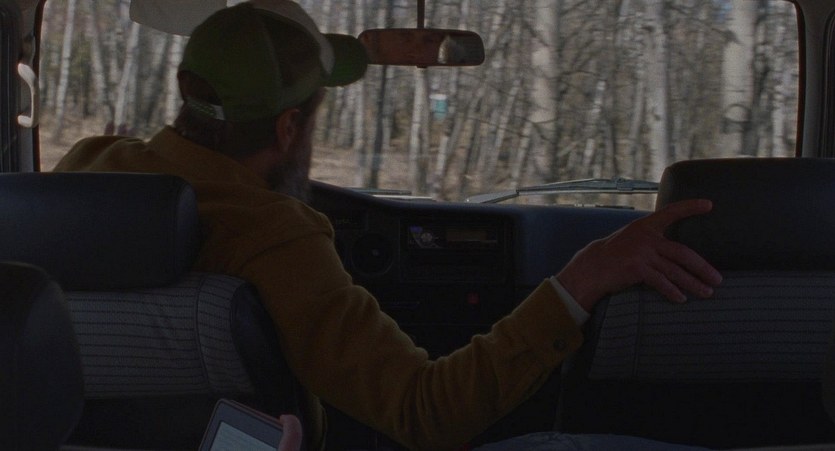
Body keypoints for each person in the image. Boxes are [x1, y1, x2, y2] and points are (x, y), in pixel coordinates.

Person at [53, 1, 723, 450]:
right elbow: (426, 411)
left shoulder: (84, 169)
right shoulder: (274, 235)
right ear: (288, 128)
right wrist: (582, 279)